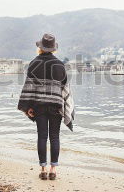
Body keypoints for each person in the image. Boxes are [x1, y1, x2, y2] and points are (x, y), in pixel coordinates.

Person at [18, 33, 74, 181]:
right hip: (56, 106)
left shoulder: (34, 63)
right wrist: (65, 107)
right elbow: (65, 88)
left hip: (39, 106)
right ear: (53, 49)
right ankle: (53, 170)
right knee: (55, 137)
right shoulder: (60, 65)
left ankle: (43, 169)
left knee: (42, 136)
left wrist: (28, 106)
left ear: (40, 47)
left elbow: (29, 87)